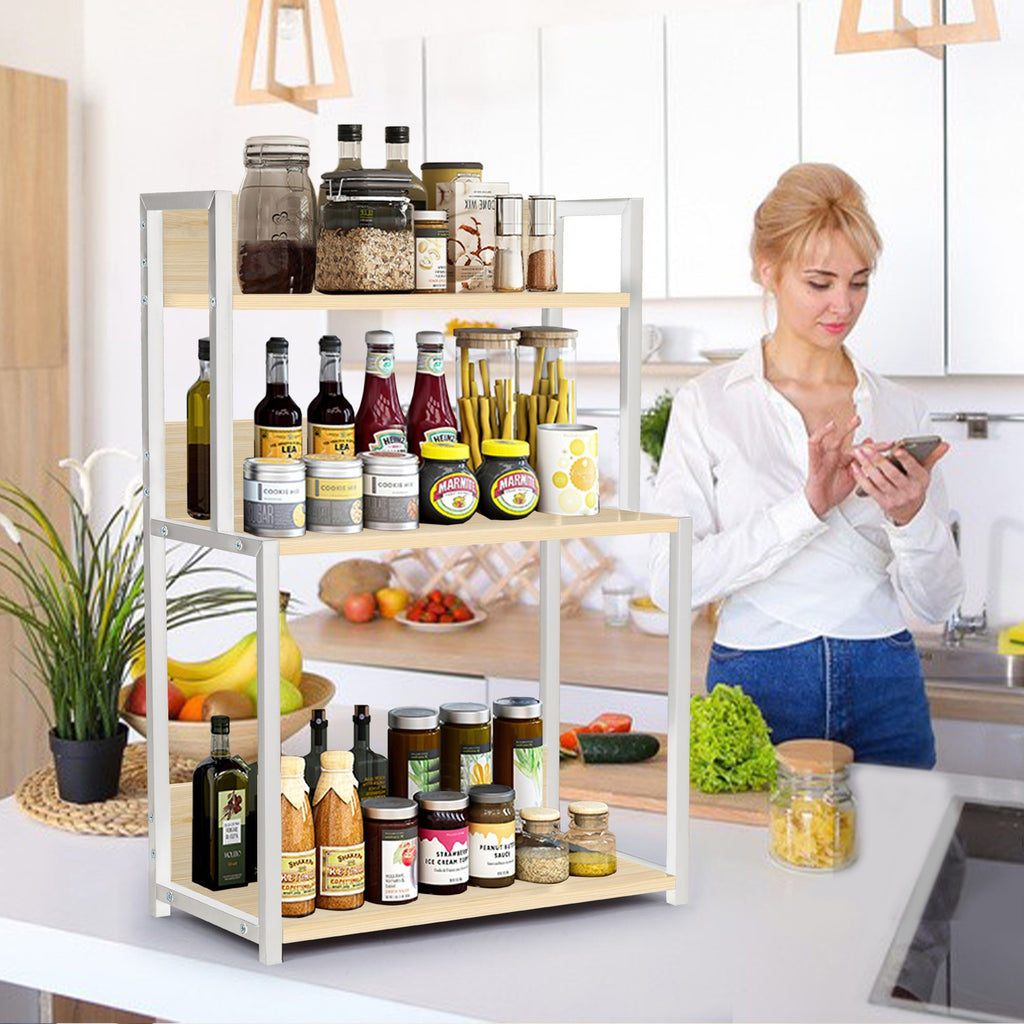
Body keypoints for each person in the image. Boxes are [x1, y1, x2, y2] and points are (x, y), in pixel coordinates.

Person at [649, 163, 964, 768]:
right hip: (760, 679)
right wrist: (808, 506)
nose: (842, 305)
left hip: (885, 677)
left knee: (915, 862)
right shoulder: (710, 404)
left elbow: (939, 601)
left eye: (859, 282)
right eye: (819, 282)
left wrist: (912, 515)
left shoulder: (900, 408)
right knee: (754, 861)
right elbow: (670, 583)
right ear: (767, 268)